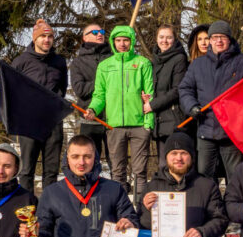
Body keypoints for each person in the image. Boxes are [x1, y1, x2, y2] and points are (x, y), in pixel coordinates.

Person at [85, 25, 155, 196]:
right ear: (113, 42)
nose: (122, 44)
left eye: (126, 40)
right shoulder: (105, 66)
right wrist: (93, 109)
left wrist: (148, 124)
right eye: (118, 40)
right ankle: (120, 210)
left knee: (139, 172)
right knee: (118, 172)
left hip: (139, 125)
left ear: (132, 42)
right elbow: (99, 95)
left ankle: (139, 210)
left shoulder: (143, 63)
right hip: (114, 126)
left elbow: (150, 95)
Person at [179, 20, 243, 181]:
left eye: (223, 37)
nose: (219, 41)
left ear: (229, 40)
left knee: (234, 177)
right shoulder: (198, 64)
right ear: (210, 40)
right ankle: (210, 206)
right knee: (204, 177)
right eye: (215, 37)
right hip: (206, 129)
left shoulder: (241, 62)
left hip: (232, 132)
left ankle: (233, 205)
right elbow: (185, 89)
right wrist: (192, 107)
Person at [13, 18, 67, 194]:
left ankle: (48, 209)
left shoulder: (59, 62)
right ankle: (27, 208)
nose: (47, 40)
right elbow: (12, 90)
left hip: (52, 121)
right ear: (34, 39)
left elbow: (62, 89)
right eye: (43, 37)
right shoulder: (21, 61)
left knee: (51, 170)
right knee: (26, 169)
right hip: (29, 122)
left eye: (50, 37)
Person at [70, 23, 112, 167]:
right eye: (94, 32)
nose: (99, 34)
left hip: (112, 119)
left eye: (101, 31)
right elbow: (80, 90)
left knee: (117, 163)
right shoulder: (77, 63)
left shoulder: (114, 58)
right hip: (89, 119)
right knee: (89, 163)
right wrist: (102, 82)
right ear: (84, 37)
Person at [149, 24, 189, 170]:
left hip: (173, 119)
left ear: (174, 39)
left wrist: (152, 105)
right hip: (159, 121)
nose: (164, 41)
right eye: (161, 37)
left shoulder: (179, 59)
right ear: (156, 39)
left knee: (175, 164)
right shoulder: (155, 60)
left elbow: (176, 90)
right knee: (162, 164)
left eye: (168, 37)